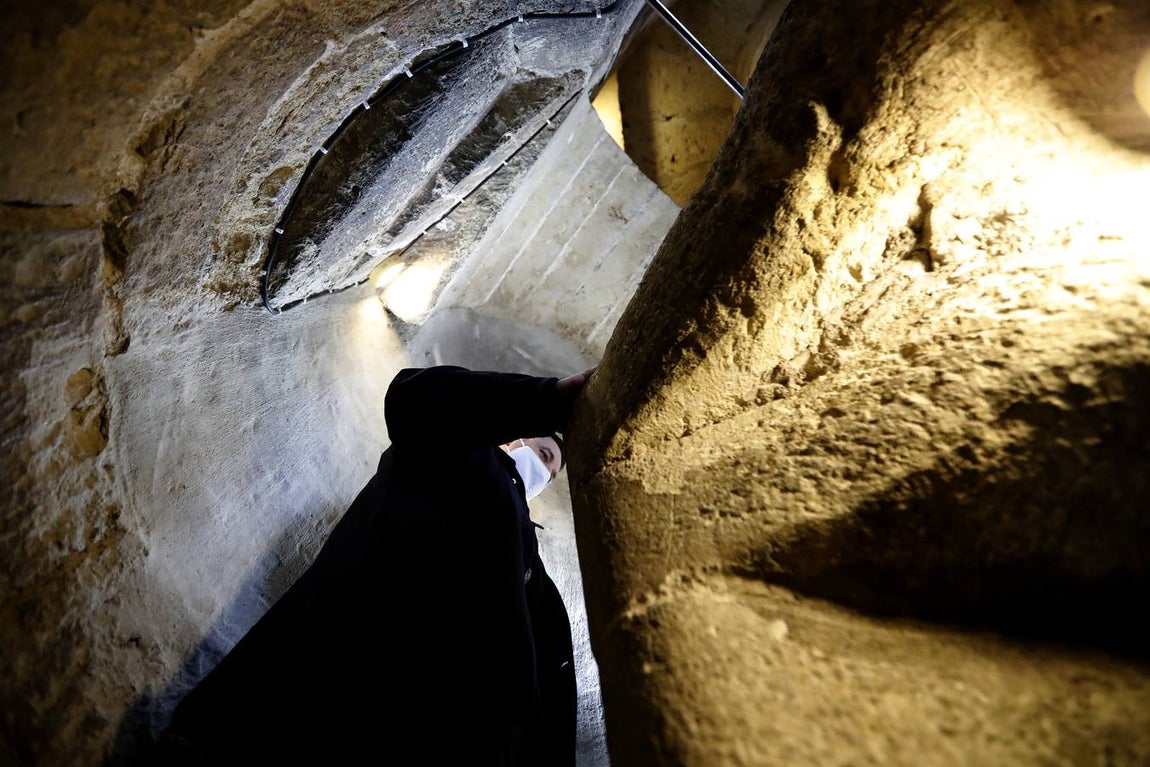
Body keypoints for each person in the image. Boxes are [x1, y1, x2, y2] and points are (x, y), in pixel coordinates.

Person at [147, 364, 596, 766]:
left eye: (551, 471)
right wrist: (547, 400)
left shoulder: (538, 577)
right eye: (542, 453)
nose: (543, 470)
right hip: (318, 705)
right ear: (510, 438)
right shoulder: (461, 455)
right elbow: (412, 396)